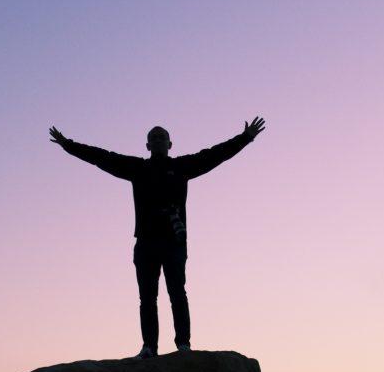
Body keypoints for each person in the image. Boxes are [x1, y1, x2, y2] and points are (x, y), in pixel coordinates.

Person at [49, 117, 266, 358]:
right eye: (153, 137)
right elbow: (102, 157)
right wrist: (67, 144)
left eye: (162, 136)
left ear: (170, 144)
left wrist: (245, 138)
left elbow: (214, 155)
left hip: (174, 241)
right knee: (147, 298)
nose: (158, 140)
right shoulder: (138, 169)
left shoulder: (183, 167)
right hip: (146, 242)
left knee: (177, 293)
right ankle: (149, 347)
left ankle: (183, 345)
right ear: (147, 146)